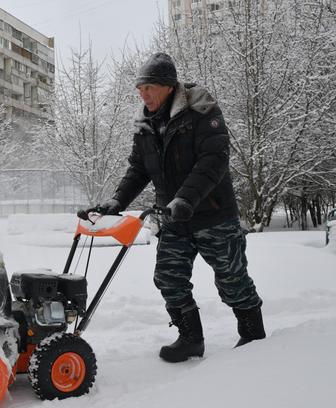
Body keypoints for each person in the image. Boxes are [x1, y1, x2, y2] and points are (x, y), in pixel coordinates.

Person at [91, 52, 266, 362]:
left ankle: (253, 337)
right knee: (168, 277)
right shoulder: (145, 124)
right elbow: (138, 169)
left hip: (212, 214)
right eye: (139, 88)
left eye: (149, 88)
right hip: (173, 217)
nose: (143, 95)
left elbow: (213, 161)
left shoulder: (201, 112)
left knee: (232, 278)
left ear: (169, 87)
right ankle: (190, 339)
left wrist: (185, 198)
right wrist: (117, 201)